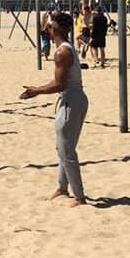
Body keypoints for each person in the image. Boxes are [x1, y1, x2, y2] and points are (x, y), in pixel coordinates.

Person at [20, 11, 89, 208]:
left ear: (55, 29)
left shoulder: (62, 52)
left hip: (71, 101)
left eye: (49, 26)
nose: (46, 29)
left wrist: (37, 91)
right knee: (63, 148)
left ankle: (79, 196)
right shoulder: (64, 48)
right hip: (73, 100)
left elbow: (60, 84)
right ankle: (62, 187)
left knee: (67, 150)